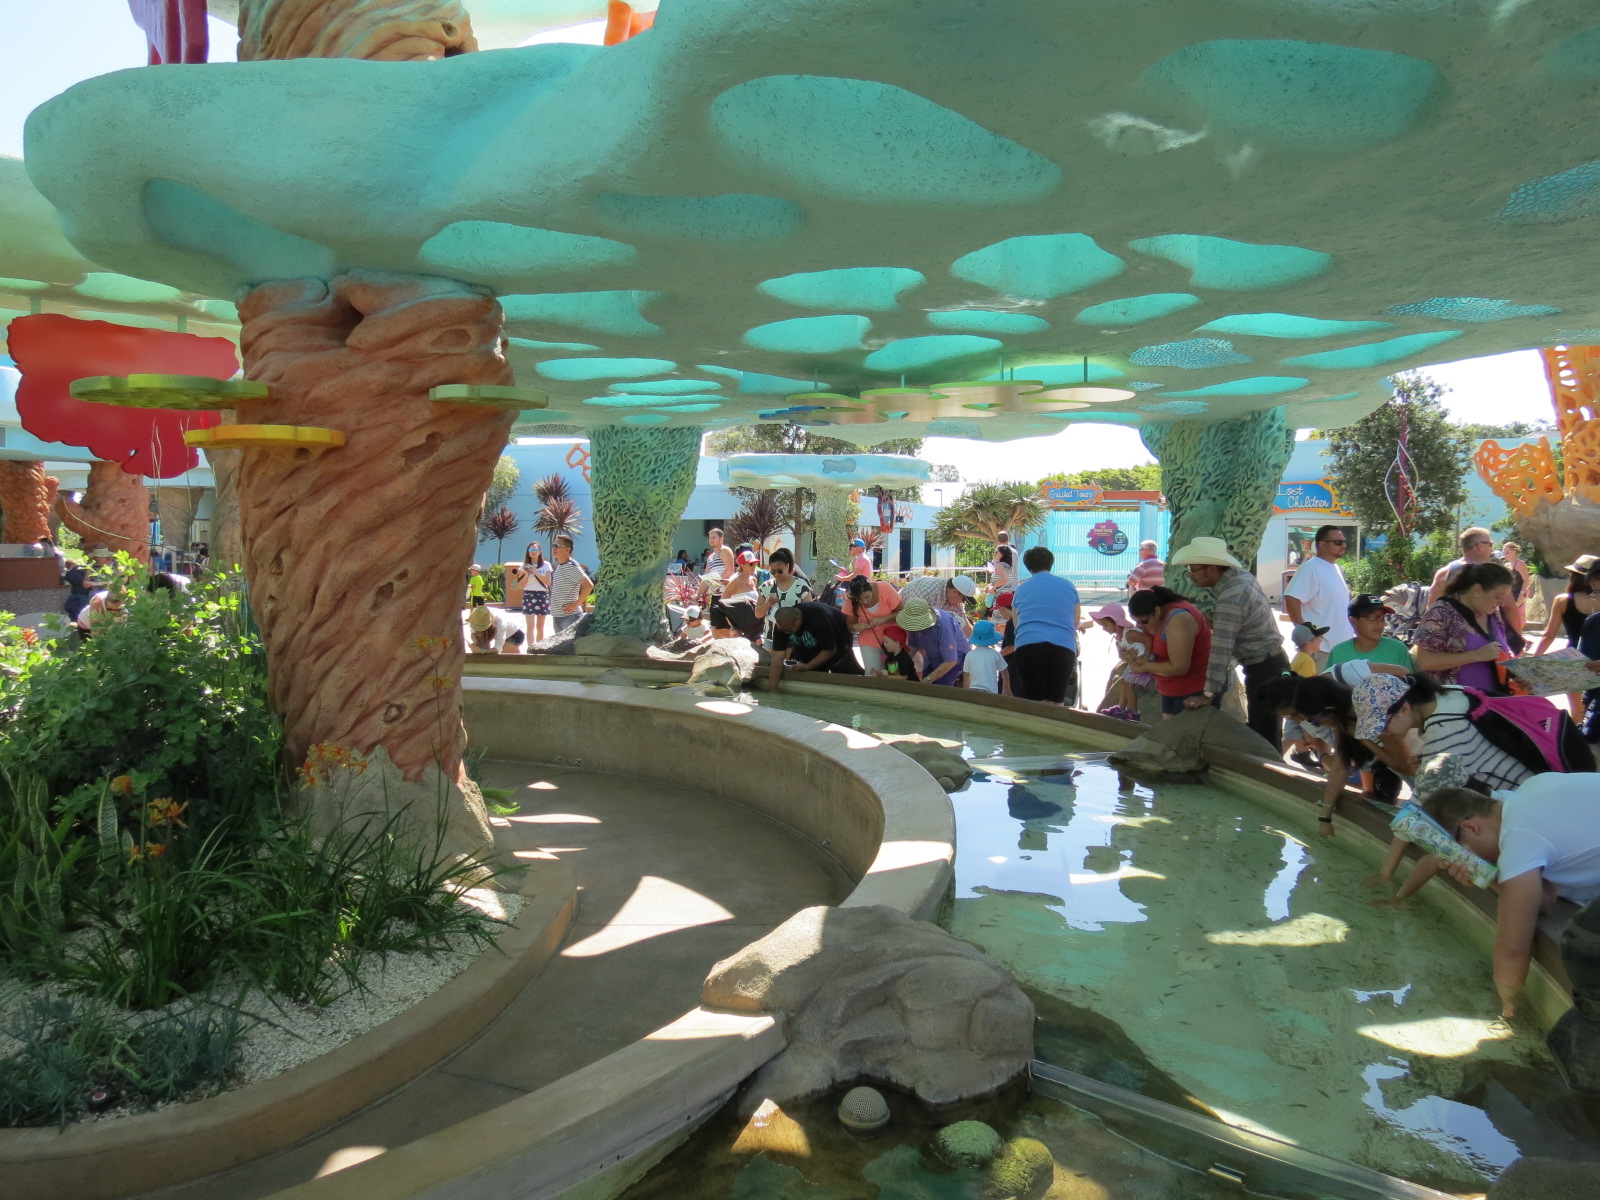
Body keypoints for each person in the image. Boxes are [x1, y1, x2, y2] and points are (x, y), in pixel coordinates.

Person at [1426, 777, 1600, 1018]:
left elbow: (1513, 950)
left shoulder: (1518, 840)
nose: (1463, 860)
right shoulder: (1526, 793)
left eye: (1459, 852)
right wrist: (1487, 877)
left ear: (1471, 828)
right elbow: (1543, 900)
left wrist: (1508, 1010)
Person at [1171, 536, 1291, 747]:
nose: (1190, 575)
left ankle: (1270, 768)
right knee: (1263, 730)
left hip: (1265, 669)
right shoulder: (1241, 577)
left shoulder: (1231, 597)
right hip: (1270, 663)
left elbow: (1221, 650)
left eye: (1193, 569)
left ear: (1211, 569)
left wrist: (1208, 694)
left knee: (1265, 738)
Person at [1414, 561, 1519, 692]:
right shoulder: (1441, 612)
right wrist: (1475, 655)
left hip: (1493, 700)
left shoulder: (1493, 615)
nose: (1502, 603)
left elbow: (1499, 656)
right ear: (1477, 590)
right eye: (1498, 597)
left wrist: (1517, 675)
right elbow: (1424, 661)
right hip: (1453, 700)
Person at [1007, 546, 1080, 705]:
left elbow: (1016, 623)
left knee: (1034, 702)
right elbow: (1075, 621)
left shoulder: (1021, 589)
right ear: (1051, 563)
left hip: (1028, 647)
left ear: (1028, 566)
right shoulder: (1068, 586)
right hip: (1063, 647)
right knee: (1057, 701)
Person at [1127, 586, 1212, 716]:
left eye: (1143, 621)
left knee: (1183, 729)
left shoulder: (1178, 620)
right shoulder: (1154, 615)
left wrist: (1143, 666)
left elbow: (1179, 668)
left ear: (1157, 610)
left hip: (1194, 689)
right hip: (1169, 688)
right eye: (1137, 622)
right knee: (1170, 727)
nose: (1140, 626)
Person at [1283, 525, 1354, 656]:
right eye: (1338, 542)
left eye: (1344, 541)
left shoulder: (1336, 568)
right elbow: (1291, 598)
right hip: (1321, 651)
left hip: (1340, 650)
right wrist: (1305, 635)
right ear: (1323, 545)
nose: (1343, 546)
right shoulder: (1310, 568)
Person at [1429, 528, 1517, 631]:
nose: (1492, 550)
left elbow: (1432, 608)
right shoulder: (1494, 574)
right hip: (1484, 635)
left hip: (1452, 634)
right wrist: (1518, 639)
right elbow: (1509, 609)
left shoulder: (1444, 573)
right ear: (1479, 546)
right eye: (1490, 544)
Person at [768, 602, 865, 690]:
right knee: (800, 669)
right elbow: (777, 659)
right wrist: (772, 689)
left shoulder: (818, 618)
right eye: (783, 631)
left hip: (839, 638)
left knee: (844, 674)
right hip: (808, 644)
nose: (786, 633)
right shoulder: (782, 627)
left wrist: (808, 666)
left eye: (789, 630)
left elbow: (830, 650)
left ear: (797, 619)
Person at [1326, 595, 1414, 677]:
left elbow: (1411, 683)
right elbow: (1327, 684)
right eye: (1372, 617)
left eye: (1382, 618)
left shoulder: (1397, 649)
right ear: (1353, 621)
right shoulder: (1338, 652)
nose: (1380, 623)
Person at [1089, 601, 1150, 717]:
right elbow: (1122, 656)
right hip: (1133, 663)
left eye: (1105, 625)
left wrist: (1145, 656)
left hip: (1141, 663)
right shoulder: (1119, 637)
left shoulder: (1129, 634)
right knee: (1123, 683)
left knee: (1128, 685)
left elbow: (1147, 640)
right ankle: (1120, 708)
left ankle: (1132, 712)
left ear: (1116, 623)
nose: (1103, 629)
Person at [896, 596, 969, 686]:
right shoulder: (912, 624)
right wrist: (898, 667)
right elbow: (912, 648)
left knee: (939, 687)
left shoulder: (944, 626)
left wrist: (928, 679)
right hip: (932, 658)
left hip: (956, 659)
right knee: (925, 685)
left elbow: (951, 661)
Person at [845, 574, 903, 674]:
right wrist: (855, 626)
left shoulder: (885, 588)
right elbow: (850, 626)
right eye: (859, 600)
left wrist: (884, 619)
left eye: (867, 597)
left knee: (893, 673)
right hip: (870, 642)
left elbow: (902, 612)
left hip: (893, 642)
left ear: (871, 589)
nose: (864, 601)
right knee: (872, 674)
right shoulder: (850, 600)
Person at [755, 548, 815, 637]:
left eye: (780, 571)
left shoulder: (801, 585)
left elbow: (810, 612)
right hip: (771, 636)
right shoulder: (766, 586)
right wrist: (767, 604)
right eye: (773, 572)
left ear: (787, 566)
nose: (776, 574)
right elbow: (758, 614)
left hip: (795, 636)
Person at [711, 550, 764, 640]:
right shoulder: (736, 581)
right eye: (751, 564)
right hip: (742, 625)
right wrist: (733, 624)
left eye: (755, 563)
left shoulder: (754, 580)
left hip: (755, 623)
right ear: (742, 565)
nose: (754, 566)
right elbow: (722, 603)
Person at [547, 534, 592, 634]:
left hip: (570, 617)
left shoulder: (571, 566)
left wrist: (576, 605)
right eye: (553, 545)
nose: (554, 548)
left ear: (567, 550)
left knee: (571, 644)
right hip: (558, 616)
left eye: (557, 546)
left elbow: (589, 585)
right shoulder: (561, 565)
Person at [514, 542, 553, 643]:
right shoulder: (523, 567)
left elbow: (547, 582)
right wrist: (527, 573)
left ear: (540, 552)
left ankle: (539, 647)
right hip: (529, 595)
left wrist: (535, 571)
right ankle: (530, 648)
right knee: (530, 627)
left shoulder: (546, 565)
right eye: (531, 550)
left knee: (540, 627)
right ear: (528, 552)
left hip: (542, 595)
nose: (533, 552)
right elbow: (521, 585)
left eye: (535, 549)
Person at [963, 619, 1008, 694]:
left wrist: (966, 693)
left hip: (973, 690)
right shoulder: (995, 654)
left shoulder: (970, 655)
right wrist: (1006, 688)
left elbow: (966, 675)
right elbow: (1004, 672)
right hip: (991, 691)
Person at [1500, 541, 1532, 635]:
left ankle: (1519, 638)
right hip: (1510, 593)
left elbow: (1526, 580)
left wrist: (1521, 595)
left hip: (1519, 592)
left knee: (1517, 616)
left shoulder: (1519, 564)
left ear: (1514, 552)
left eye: (1507, 552)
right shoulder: (1507, 565)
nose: (1505, 555)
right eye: (1504, 552)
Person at [700, 527, 734, 603]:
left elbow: (730, 571)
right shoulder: (710, 557)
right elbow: (706, 577)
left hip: (726, 594)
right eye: (710, 537)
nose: (711, 540)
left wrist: (716, 582)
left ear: (721, 539)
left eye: (714, 537)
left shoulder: (725, 550)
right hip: (715, 595)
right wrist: (697, 594)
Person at [989, 535, 1017, 608]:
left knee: (998, 613)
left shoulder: (1000, 565)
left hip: (1000, 596)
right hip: (1008, 595)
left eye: (996, 552)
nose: (994, 554)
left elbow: (1004, 579)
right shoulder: (1008, 566)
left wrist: (993, 587)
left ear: (1001, 554)